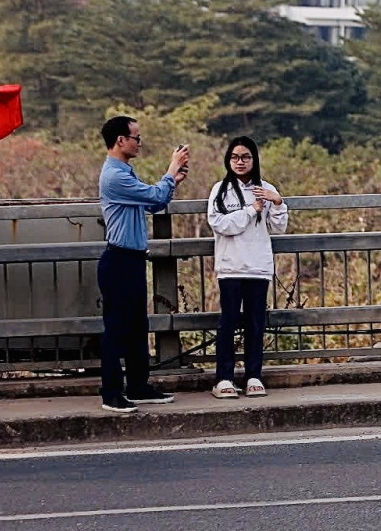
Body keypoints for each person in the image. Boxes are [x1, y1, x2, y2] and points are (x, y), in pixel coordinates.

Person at [97, 115, 188, 414]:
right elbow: (155, 195)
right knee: (117, 328)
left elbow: (155, 202)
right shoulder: (115, 176)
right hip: (119, 259)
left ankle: (138, 385)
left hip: (132, 259)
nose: (139, 142)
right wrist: (171, 170)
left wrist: (170, 183)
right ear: (120, 140)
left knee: (138, 327)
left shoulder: (126, 172)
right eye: (136, 137)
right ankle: (111, 392)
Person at [206, 136, 287, 399]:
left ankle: (254, 375)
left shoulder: (265, 188)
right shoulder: (220, 189)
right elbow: (221, 224)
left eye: (246, 157)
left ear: (254, 160)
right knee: (227, 323)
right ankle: (224, 378)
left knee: (255, 324)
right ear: (228, 160)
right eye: (235, 157)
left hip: (258, 267)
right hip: (231, 267)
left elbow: (278, 227)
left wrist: (277, 203)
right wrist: (251, 210)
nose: (240, 162)